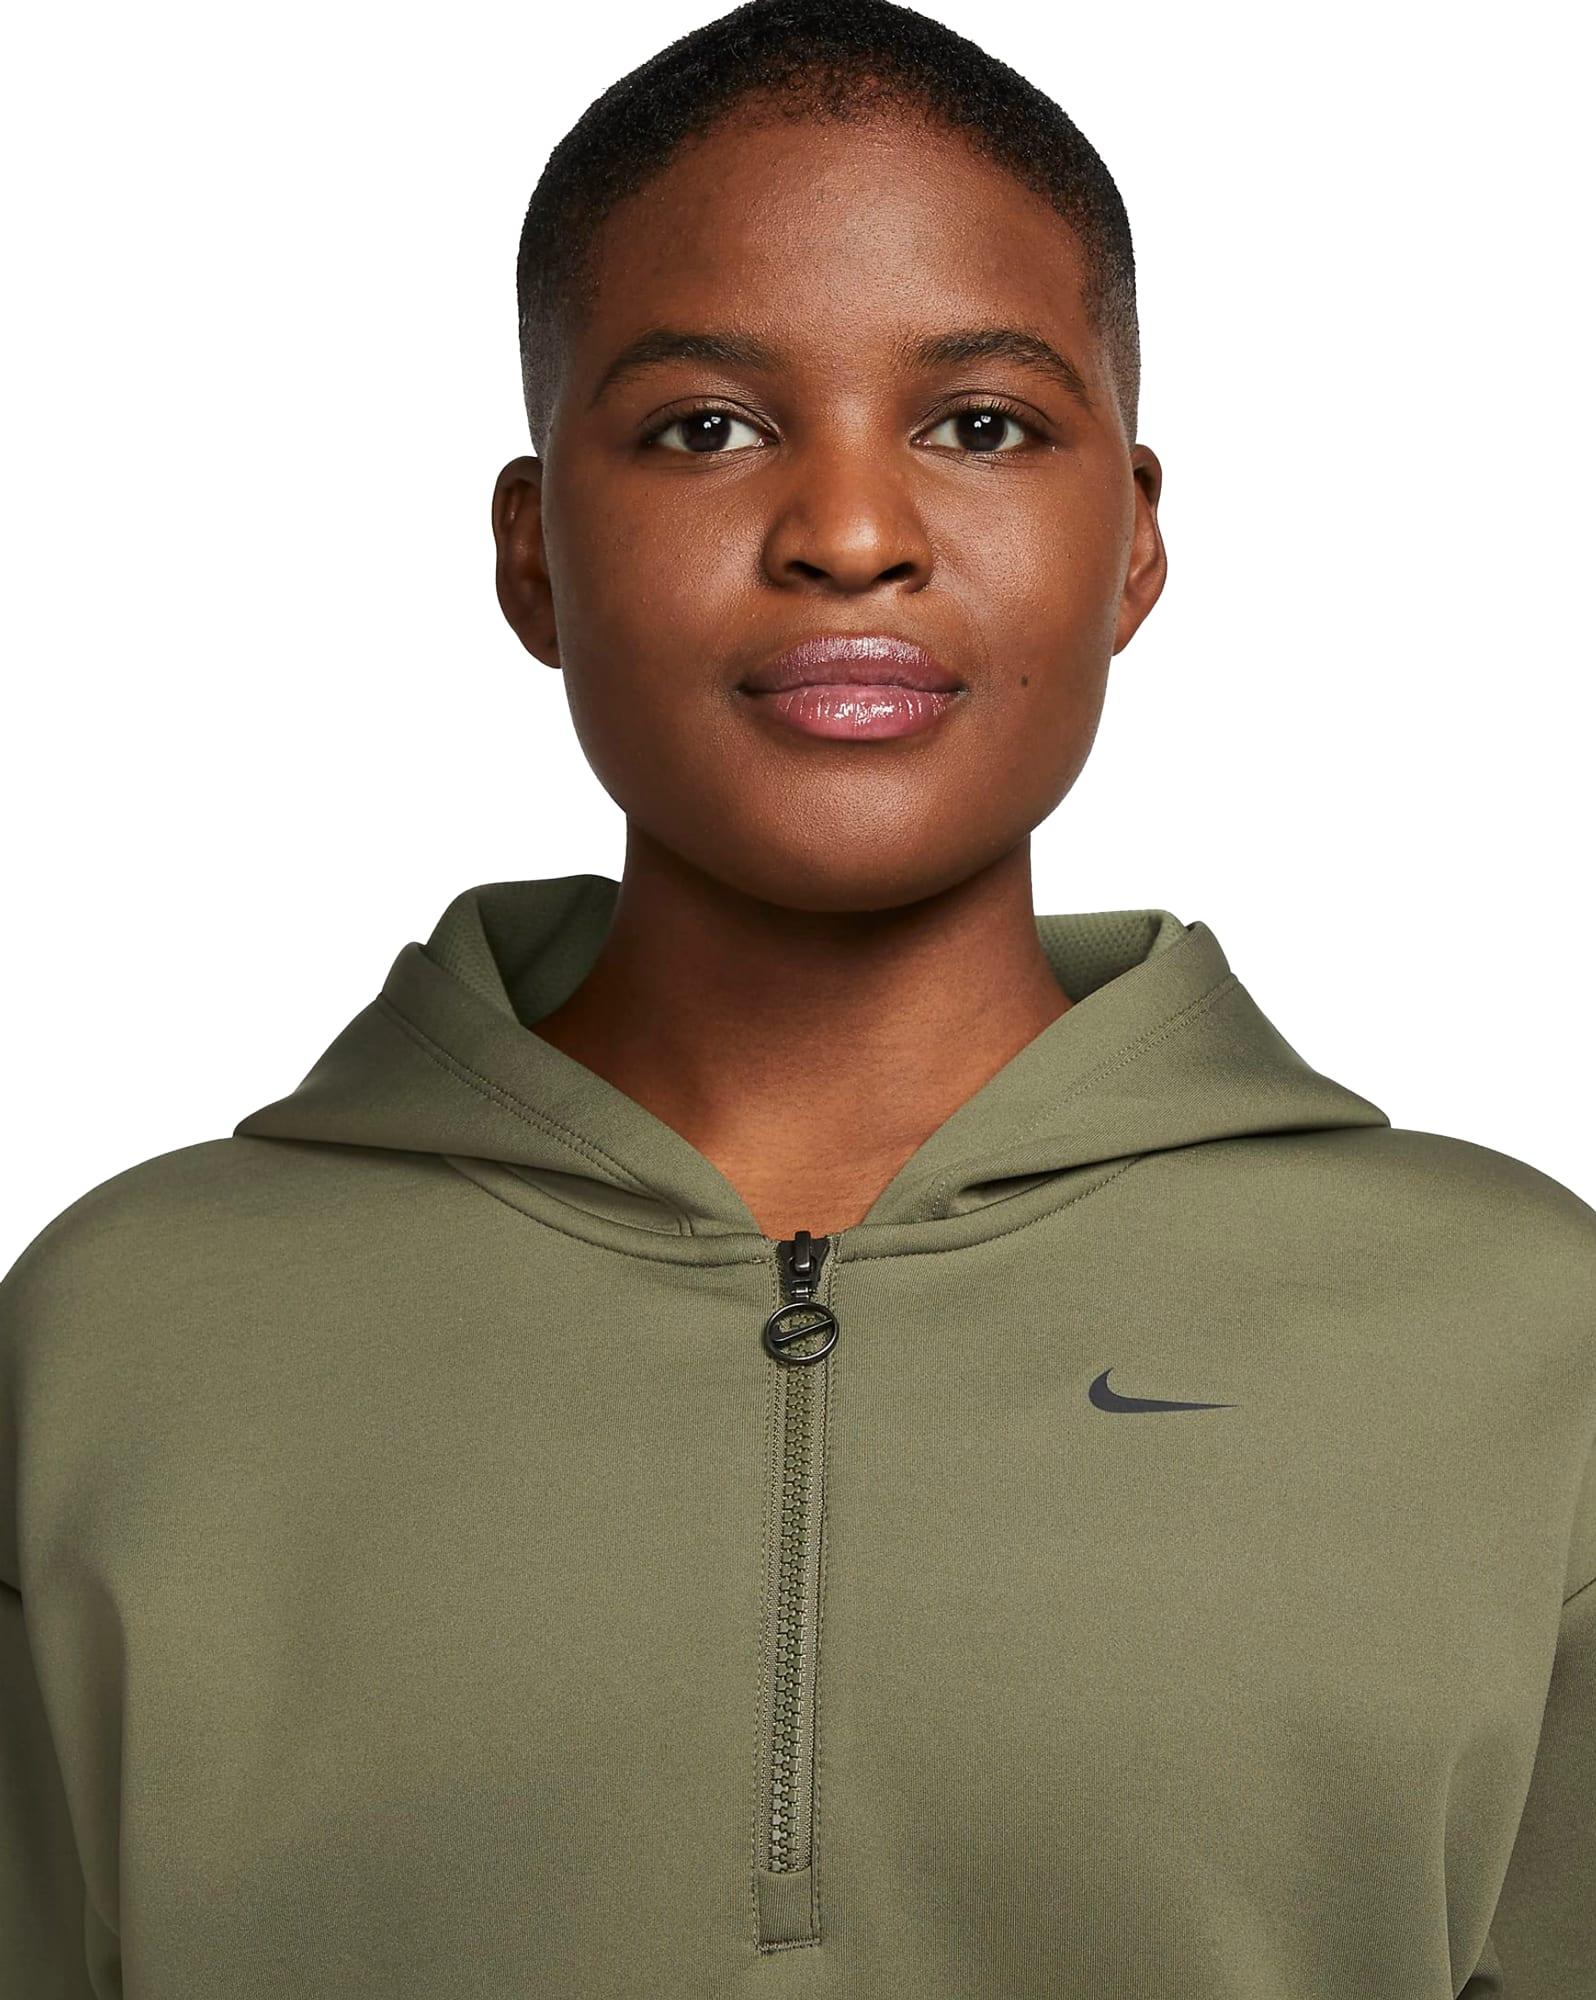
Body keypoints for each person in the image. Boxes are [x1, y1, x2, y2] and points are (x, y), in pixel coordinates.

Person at [2, 1, 1592, 1993]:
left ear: (1133, 542)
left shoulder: (1520, 1340)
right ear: (533, 556)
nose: (849, 535)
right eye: (707, 427)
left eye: (981, 425)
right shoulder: (117, 1348)